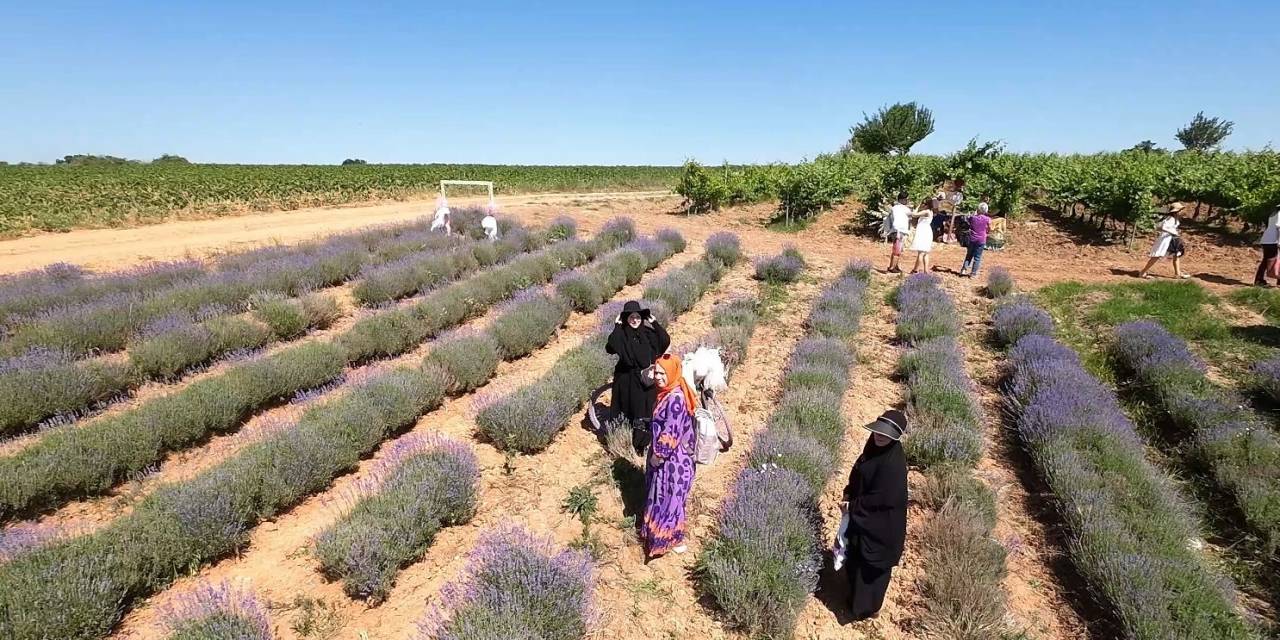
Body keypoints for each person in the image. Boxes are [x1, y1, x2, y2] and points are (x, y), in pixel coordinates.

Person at [840, 409, 908, 622]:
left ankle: (866, 610)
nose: (879, 436)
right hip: (863, 519)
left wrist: (852, 506)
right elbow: (859, 471)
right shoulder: (872, 448)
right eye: (878, 431)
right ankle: (854, 601)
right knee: (856, 561)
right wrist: (849, 490)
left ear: (894, 438)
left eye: (886, 434)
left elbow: (883, 499)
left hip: (881, 528)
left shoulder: (893, 465)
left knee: (871, 572)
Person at [641, 353, 697, 559]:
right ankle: (660, 537)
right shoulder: (667, 392)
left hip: (672, 463)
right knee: (665, 499)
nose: (657, 376)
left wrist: (658, 456)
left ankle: (668, 540)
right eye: (656, 372)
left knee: (669, 500)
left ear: (673, 372)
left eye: (662, 373)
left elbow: (671, 433)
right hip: (668, 460)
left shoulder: (675, 400)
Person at [606, 300, 671, 447]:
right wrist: (617, 326)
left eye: (637, 317)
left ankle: (645, 441)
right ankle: (633, 444)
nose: (635, 320)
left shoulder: (647, 333)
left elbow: (664, 340)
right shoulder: (622, 334)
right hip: (628, 380)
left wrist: (654, 322)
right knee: (633, 410)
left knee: (648, 410)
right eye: (631, 317)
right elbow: (611, 345)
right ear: (625, 319)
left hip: (646, 379)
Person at [1138, 203, 1190, 279]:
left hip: (1171, 239)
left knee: (1176, 254)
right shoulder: (1171, 219)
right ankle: (1142, 272)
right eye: (1180, 210)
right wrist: (1174, 232)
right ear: (1177, 211)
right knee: (1157, 256)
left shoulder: (1174, 218)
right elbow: (1163, 227)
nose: (1182, 211)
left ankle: (1177, 273)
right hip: (1166, 239)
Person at [959, 196, 993, 278]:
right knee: (977, 257)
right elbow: (990, 228)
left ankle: (963, 270)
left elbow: (968, 220)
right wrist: (987, 231)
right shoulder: (987, 219)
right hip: (981, 239)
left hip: (972, 239)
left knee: (969, 255)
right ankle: (973, 274)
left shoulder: (973, 218)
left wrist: (974, 213)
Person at [885, 192, 912, 274]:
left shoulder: (894, 208)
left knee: (897, 248)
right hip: (900, 230)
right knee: (897, 249)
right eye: (906, 199)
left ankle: (895, 266)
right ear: (902, 200)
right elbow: (912, 216)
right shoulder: (905, 209)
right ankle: (892, 267)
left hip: (895, 230)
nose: (907, 201)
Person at [1255, 205, 1280, 287]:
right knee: (1272, 260)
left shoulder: (1273, 214)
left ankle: (1259, 280)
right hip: (1273, 240)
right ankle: (1259, 280)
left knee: (1266, 261)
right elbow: (1279, 227)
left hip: (1267, 240)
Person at [909, 198, 936, 274]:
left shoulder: (926, 211)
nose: (923, 205)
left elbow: (914, 214)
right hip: (926, 231)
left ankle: (915, 269)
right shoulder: (930, 211)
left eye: (924, 203)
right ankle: (926, 270)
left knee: (921, 252)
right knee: (926, 252)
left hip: (923, 231)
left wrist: (917, 207)